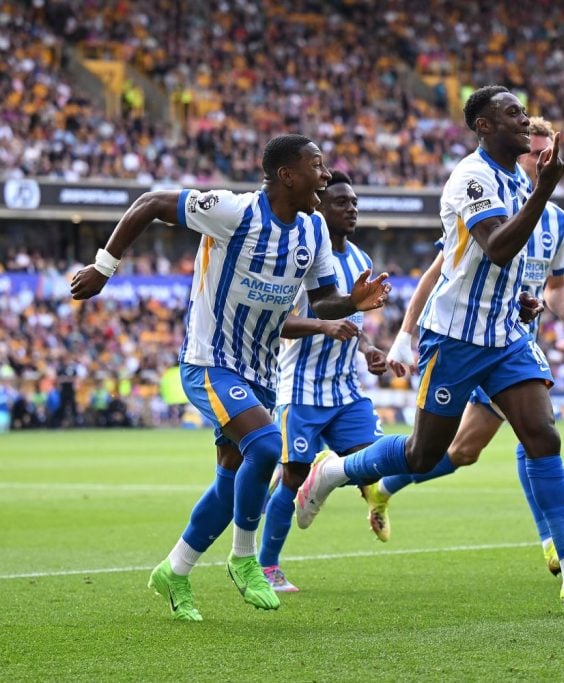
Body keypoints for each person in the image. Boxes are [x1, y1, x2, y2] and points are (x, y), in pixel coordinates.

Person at [293, 86, 564, 608]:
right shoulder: (471, 177)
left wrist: (524, 300)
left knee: (542, 436)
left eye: (525, 112)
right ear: (484, 127)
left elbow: (509, 267)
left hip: (506, 335)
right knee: (424, 453)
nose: (525, 120)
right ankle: (334, 470)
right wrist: (545, 190)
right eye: (513, 114)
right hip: (454, 336)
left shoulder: (518, 181)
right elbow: (497, 248)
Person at [70, 135, 390, 621]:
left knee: (231, 481)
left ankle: (174, 570)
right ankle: (244, 559)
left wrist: (352, 302)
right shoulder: (233, 212)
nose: (326, 176)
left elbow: (322, 301)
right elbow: (151, 202)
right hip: (209, 361)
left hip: (260, 370)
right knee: (266, 446)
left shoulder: (313, 232)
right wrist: (103, 267)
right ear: (287, 175)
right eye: (318, 166)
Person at [366, 116, 564, 576]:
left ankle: (558, 549)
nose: (539, 160)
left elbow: (554, 287)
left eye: (547, 154)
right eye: (534, 153)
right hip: (463, 340)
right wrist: (405, 335)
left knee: (502, 444)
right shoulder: (486, 197)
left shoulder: (558, 222)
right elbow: (439, 273)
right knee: (462, 449)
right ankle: (371, 481)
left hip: (511, 341)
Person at [258, 171, 396, 592]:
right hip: (300, 388)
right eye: (341, 202)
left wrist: (368, 348)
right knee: (292, 476)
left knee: (374, 465)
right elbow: (276, 323)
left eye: (354, 202)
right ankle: (267, 567)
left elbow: (354, 324)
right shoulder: (300, 257)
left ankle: (320, 476)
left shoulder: (360, 260)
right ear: (319, 207)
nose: (351, 209)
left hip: (345, 390)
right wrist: (322, 325)